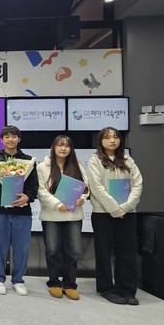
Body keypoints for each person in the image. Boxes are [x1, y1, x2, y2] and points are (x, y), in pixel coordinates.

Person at [87, 126, 144, 305]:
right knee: (104, 252)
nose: (112, 140)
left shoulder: (127, 159)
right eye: (108, 137)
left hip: (127, 212)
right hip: (103, 213)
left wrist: (125, 207)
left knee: (127, 251)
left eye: (115, 137)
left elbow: (138, 184)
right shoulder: (95, 160)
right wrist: (115, 209)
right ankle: (106, 288)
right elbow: (96, 187)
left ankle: (127, 289)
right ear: (101, 141)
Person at [0, 125, 38, 296]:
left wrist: (27, 197)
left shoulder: (28, 161)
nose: (10, 139)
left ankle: (18, 280)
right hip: (0, 210)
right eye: (7, 136)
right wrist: (4, 194)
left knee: (22, 247)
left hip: (22, 211)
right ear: (1, 140)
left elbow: (34, 186)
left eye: (14, 136)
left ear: (19, 139)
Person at [36, 135, 89, 300]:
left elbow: (85, 188)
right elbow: (41, 191)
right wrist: (58, 204)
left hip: (73, 215)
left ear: (71, 149)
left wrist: (82, 198)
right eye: (60, 145)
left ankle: (70, 283)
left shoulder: (77, 166)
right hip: (51, 215)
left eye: (67, 145)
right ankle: (54, 281)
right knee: (53, 250)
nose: (63, 148)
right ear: (53, 147)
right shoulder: (42, 167)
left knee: (74, 251)